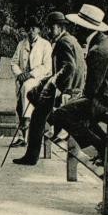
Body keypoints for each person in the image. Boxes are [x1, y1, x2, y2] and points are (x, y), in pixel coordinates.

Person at [45, 3, 108, 162]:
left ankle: (101, 147)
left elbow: (90, 91)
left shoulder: (98, 51)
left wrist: (71, 98)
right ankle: (102, 146)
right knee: (76, 111)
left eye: (78, 26)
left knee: (61, 114)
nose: (75, 30)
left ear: (85, 29)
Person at [13, 11, 85, 165]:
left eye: (52, 28)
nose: (49, 31)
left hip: (67, 91)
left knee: (37, 115)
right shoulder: (71, 40)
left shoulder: (63, 42)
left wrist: (53, 84)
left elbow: (69, 68)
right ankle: (54, 127)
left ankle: (32, 156)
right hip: (72, 88)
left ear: (59, 27)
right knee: (32, 95)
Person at [10, 18, 52, 147]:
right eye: (29, 28)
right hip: (22, 79)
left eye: (34, 28)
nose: (31, 31)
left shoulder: (45, 45)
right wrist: (20, 74)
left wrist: (31, 74)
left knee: (28, 103)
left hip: (37, 79)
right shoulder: (21, 44)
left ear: (38, 30)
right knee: (19, 106)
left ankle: (27, 125)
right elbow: (14, 62)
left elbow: (47, 66)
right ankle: (21, 137)